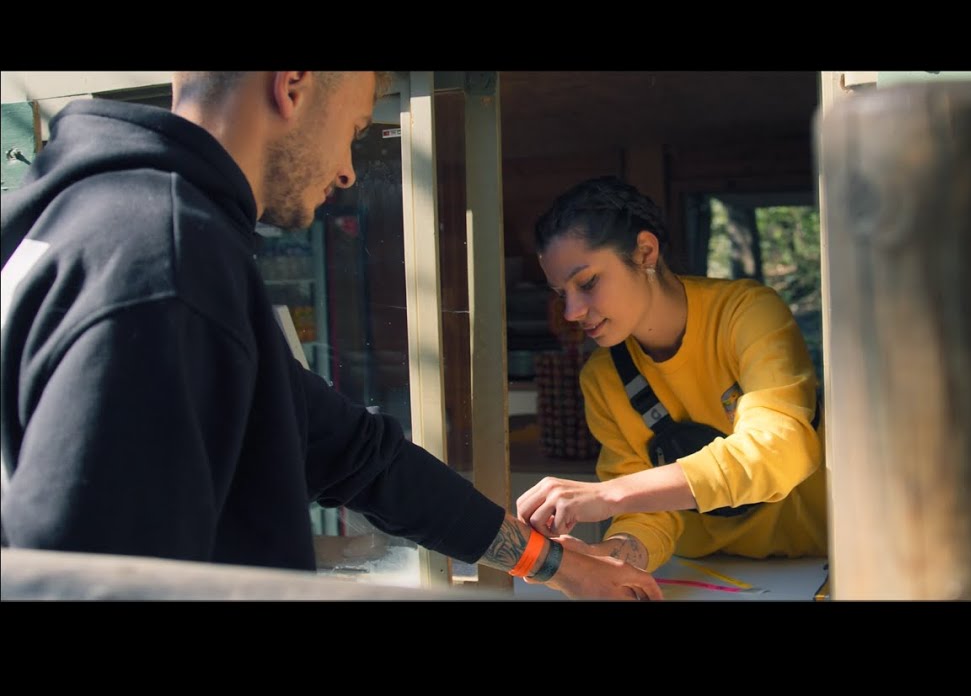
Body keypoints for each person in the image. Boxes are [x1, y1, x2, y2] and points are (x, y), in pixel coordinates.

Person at [0, 71, 661, 601]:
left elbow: (359, 457)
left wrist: (557, 565)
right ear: (291, 86)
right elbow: (84, 580)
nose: (347, 170)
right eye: (353, 128)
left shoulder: (92, 221)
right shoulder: (165, 256)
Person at [516, 176, 827, 573]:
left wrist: (612, 493)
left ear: (645, 252)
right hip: (711, 575)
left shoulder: (745, 314)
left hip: (825, 562)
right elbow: (648, 515)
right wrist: (610, 558)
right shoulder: (602, 377)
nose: (572, 312)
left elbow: (778, 451)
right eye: (562, 293)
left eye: (588, 282)